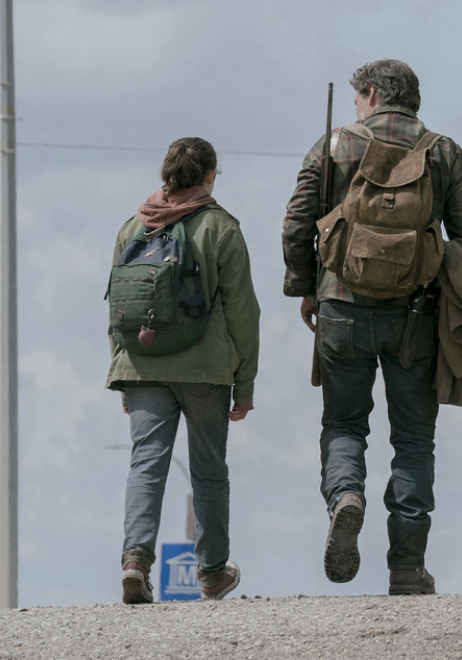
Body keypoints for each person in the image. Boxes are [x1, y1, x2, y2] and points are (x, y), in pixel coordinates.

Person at [281, 60, 462, 596]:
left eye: (358, 99)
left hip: (342, 308)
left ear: (371, 95)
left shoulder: (333, 146)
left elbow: (297, 221)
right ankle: (406, 568)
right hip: (417, 315)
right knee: (414, 441)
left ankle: (346, 496)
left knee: (346, 424)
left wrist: (306, 286)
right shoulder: (445, 152)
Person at [107, 137, 260, 604]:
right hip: (205, 368)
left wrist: (122, 372)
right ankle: (212, 573)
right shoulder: (220, 228)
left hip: (143, 365)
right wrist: (245, 383)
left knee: (145, 465)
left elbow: (118, 305)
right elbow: (243, 312)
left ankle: (135, 560)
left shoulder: (133, 227)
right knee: (209, 471)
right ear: (211, 174)